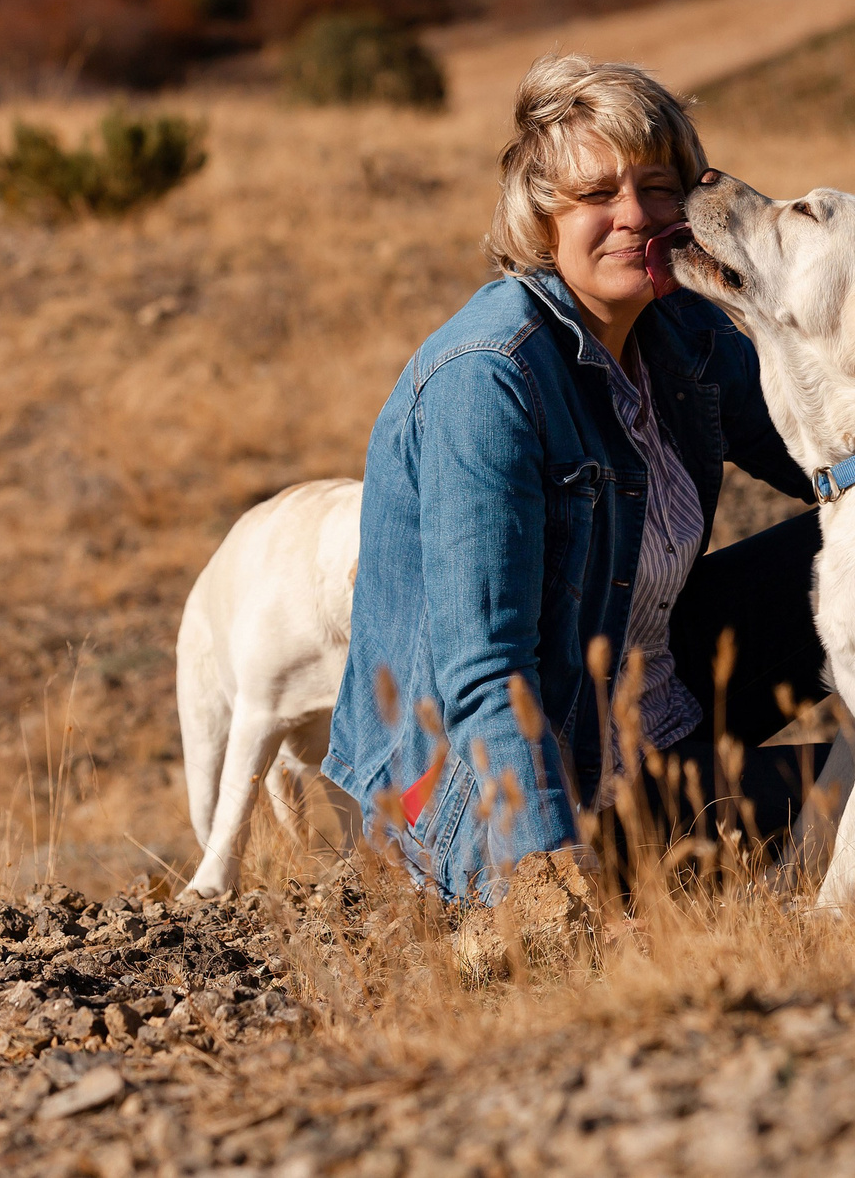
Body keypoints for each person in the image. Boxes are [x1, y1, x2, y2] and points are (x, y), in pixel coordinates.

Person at [322, 54, 828, 900]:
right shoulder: (491, 378)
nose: (634, 215)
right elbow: (486, 671)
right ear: (541, 215)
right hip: (516, 793)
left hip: (652, 700)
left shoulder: (683, 333)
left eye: (659, 187)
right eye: (596, 194)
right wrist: (551, 885)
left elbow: (832, 459)